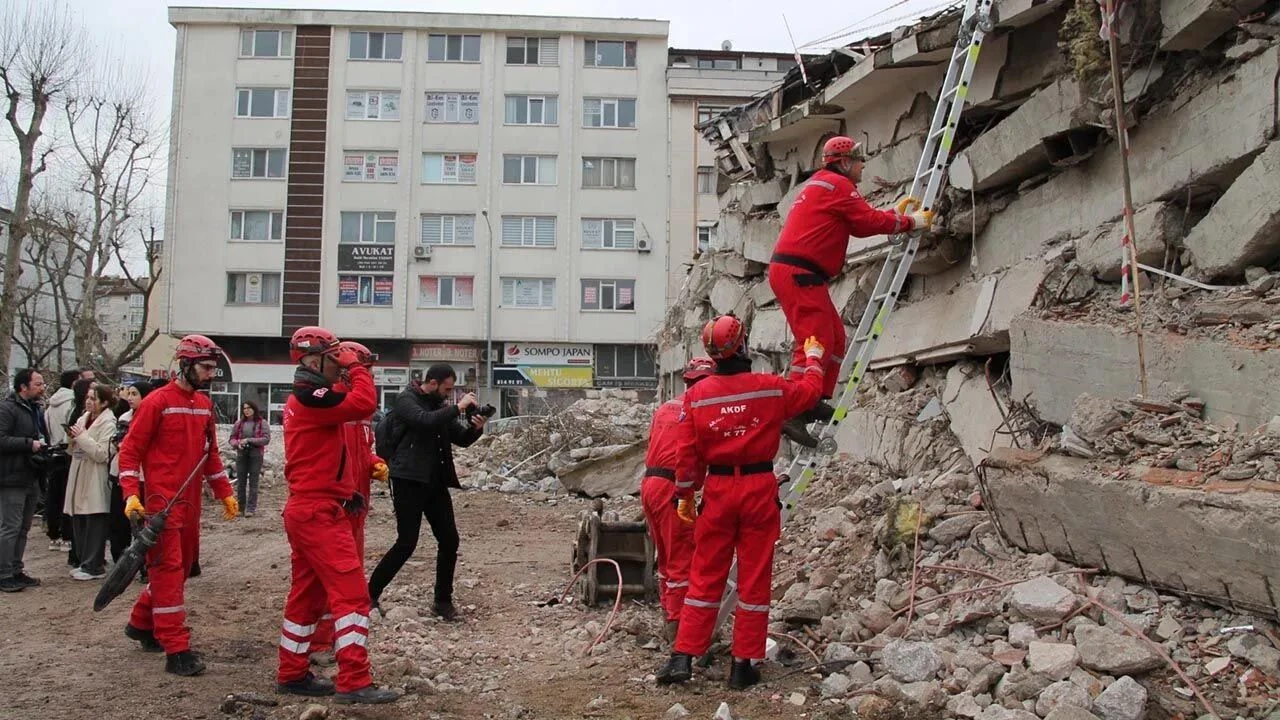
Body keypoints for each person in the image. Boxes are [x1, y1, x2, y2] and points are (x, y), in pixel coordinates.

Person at [655, 315, 826, 690]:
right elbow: (810, 392)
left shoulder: (696, 396)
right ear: (743, 345)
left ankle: (682, 657)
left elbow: (686, 456)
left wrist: (685, 496)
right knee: (754, 579)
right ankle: (742, 665)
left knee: (704, 576)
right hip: (758, 488)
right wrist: (813, 356)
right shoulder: (769, 388)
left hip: (717, 491)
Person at [767, 135, 934, 447]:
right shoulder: (838, 185)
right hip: (800, 272)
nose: (863, 165)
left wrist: (894, 215)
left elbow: (857, 223)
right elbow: (867, 222)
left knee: (833, 337)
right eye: (859, 160)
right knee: (815, 339)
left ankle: (812, 399)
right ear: (845, 162)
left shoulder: (825, 184)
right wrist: (910, 222)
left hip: (797, 271)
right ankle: (794, 409)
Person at [276, 326, 398, 704]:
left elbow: (339, 447)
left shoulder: (313, 398)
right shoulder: (310, 397)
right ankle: (354, 680)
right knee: (353, 597)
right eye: (333, 358)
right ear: (313, 360)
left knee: (307, 596)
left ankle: (291, 672)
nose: (339, 365)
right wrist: (355, 368)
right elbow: (364, 403)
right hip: (318, 512)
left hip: (314, 507)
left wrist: (350, 489)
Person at [117, 335, 238, 676]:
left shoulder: (203, 405)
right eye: (206, 367)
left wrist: (224, 491)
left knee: (181, 569)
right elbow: (130, 452)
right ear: (185, 365)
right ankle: (176, 649)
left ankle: (141, 623)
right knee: (168, 573)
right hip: (161, 505)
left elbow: (210, 455)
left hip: (190, 504)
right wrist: (131, 494)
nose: (211, 374)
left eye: (213, 368)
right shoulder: (156, 403)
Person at [367, 364, 486, 621]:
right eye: (447, 389)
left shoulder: (439, 407)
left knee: (449, 540)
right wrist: (458, 407)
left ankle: (442, 601)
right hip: (408, 480)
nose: (448, 394)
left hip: (434, 482)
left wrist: (477, 427)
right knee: (406, 543)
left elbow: (461, 438)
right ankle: (369, 594)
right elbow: (423, 421)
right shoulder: (406, 400)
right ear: (432, 383)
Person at [310, 340, 386, 667]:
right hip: (334, 505)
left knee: (349, 575)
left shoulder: (361, 413)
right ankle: (319, 640)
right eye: (364, 370)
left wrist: (373, 463)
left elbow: (359, 451)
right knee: (330, 579)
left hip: (357, 505)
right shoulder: (333, 404)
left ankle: (336, 637)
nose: (369, 377)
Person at [641, 356, 714, 642]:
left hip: (650, 484)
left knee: (665, 558)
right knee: (681, 559)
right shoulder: (700, 410)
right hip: (673, 487)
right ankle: (680, 631)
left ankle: (669, 618)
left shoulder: (666, 408)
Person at [0, 369, 49, 593]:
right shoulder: (7, 409)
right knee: (10, 527)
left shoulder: (34, 409)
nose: (42, 388)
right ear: (23, 387)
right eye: (38, 384)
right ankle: (4, 573)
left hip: (30, 475)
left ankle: (16, 569)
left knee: (23, 527)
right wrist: (29, 444)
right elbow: (2, 440)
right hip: (12, 477)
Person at [64, 383, 118, 580]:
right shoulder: (83, 418)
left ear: (104, 403)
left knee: (94, 518)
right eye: (87, 397)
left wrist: (82, 437)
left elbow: (102, 454)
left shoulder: (109, 423)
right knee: (79, 518)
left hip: (95, 475)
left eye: (93, 398)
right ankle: (84, 561)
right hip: (79, 471)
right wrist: (71, 438)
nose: (88, 401)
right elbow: (72, 448)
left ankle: (94, 565)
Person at [107, 381, 152, 567]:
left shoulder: (152, 418)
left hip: (143, 477)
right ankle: (120, 563)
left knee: (142, 525)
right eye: (129, 393)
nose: (130, 398)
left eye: (135, 394)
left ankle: (144, 566)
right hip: (121, 474)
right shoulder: (124, 417)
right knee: (118, 522)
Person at [43, 369, 78, 553]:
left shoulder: (50, 405)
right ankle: (66, 536)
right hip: (66, 452)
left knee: (53, 496)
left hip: (53, 452)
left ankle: (53, 534)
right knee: (66, 495)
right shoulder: (72, 403)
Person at [229, 399, 270, 517]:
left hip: (256, 455)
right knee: (241, 482)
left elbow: (266, 439)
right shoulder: (238, 423)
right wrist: (238, 444)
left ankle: (251, 509)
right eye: (245, 408)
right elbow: (232, 439)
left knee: (253, 482)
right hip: (241, 455)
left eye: (249, 408)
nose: (247, 411)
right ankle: (241, 508)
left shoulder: (262, 423)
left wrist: (249, 440)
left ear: (254, 409)